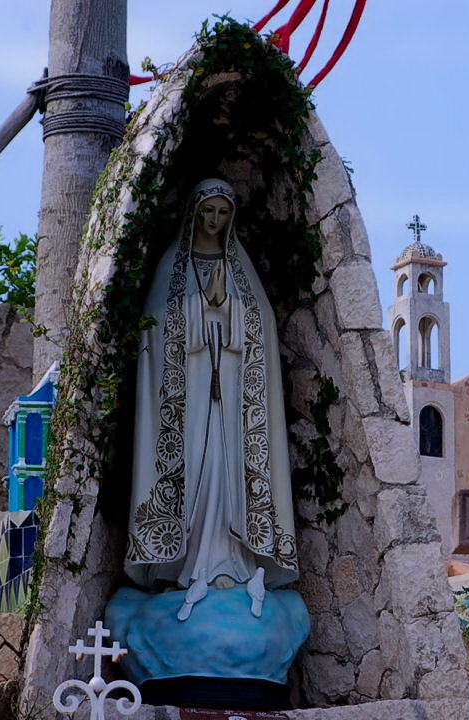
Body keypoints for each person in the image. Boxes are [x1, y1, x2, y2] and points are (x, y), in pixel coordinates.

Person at [124, 178, 298, 620]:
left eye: (222, 213)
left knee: (227, 468)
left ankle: (231, 564)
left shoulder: (239, 268)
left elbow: (261, 323)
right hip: (189, 400)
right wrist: (203, 309)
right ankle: (181, 565)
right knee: (193, 471)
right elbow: (155, 322)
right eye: (208, 212)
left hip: (232, 400)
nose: (215, 220)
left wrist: (229, 308)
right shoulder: (174, 265)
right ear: (194, 214)